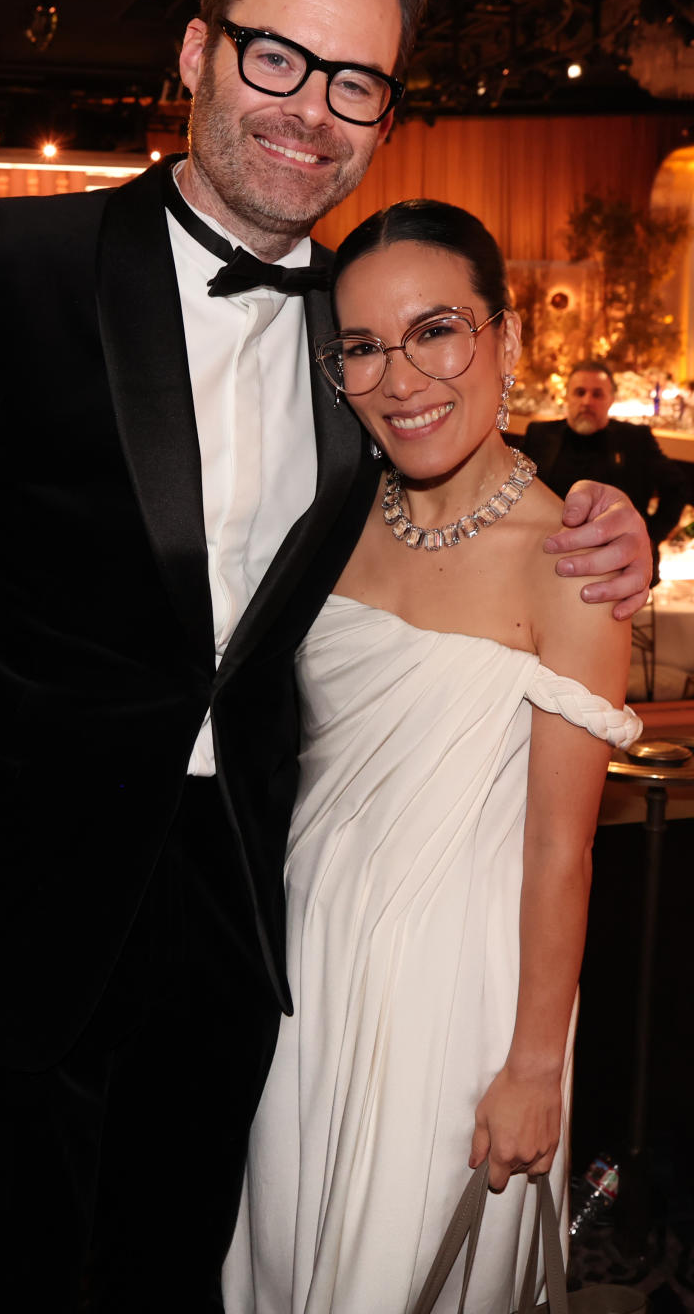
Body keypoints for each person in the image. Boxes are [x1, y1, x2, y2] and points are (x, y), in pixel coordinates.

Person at [0, 0, 649, 1310]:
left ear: (386, 114)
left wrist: (595, 504)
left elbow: (442, 474)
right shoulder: (1, 268)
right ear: (196, 53)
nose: (310, 108)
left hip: (250, 928)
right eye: (277, 57)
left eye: (356, 81)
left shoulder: (356, 329)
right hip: (8, 920)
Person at [223, 201, 639, 1314]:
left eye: (437, 330)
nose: (401, 377)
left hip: (457, 997)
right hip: (303, 971)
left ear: (507, 337)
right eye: (361, 346)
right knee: (283, 1261)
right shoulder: (326, 524)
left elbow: (562, 851)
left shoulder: (574, 563)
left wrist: (535, 1067)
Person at [523, 361, 687, 583]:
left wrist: (650, 537)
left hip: (618, 566)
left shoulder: (635, 440)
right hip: (549, 562)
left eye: (597, 394)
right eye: (579, 393)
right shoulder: (539, 435)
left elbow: (677, 487)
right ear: (567, 398)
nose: (587, 402)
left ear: (610, 400)